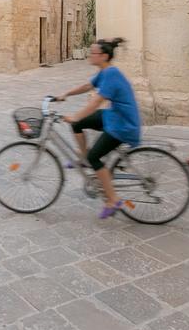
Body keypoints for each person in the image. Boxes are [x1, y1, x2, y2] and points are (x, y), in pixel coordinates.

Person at [56, 37, 141, 219]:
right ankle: (83, 156)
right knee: (79, 125)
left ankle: (113, 199)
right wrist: (66, 94)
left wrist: (75, 116)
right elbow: (88, 85)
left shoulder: (111, 75)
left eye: (93, 53)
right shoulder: (104, 71)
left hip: (123, 125)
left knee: (95, 156)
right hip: (114, 116)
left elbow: (96, 102)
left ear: (103, 56)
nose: (90, 55)